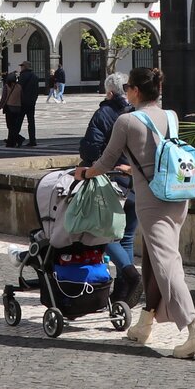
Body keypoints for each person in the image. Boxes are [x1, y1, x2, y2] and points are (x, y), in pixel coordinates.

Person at [76, 67, 195, 359]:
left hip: (152, 201)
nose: (126, 91)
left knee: (166, 262)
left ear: (135, 90)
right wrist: (133, 168)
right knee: (153, 258)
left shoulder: (126, 121)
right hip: (178, 194)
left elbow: (105, 162)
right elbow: (157, 154)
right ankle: (145, 322)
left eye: (128, 87)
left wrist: (85, 173)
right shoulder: (171, 116)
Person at [77, 72, 141, 307]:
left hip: (112, 182)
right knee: (126, 237)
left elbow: (91, 148)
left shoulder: (104, 113)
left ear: (111, 92)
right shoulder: (138, 111)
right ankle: (123, 293)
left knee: (101, 232)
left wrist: (90, 166)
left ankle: (131, 275)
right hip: (135, 181)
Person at [0, 71, 24, 147]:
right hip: (18, 108)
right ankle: (11, 142)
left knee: (10, 126)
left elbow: (3, 98)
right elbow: (22, 97)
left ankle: (19, 139)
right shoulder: (19, 87)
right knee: (14, 126)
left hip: (9, 108)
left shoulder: (7, 87)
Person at [17, 60, 40, 146]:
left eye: (22, 66)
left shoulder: (23, 76)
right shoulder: (35, 76)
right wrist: (34, 99)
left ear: (25, 67)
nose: (21, 67)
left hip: (23, 102)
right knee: (31, 122)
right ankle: (33, 140)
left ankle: (14, 138)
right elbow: (37, 90)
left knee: (18, 121)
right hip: (31, 102)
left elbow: (18, 88)